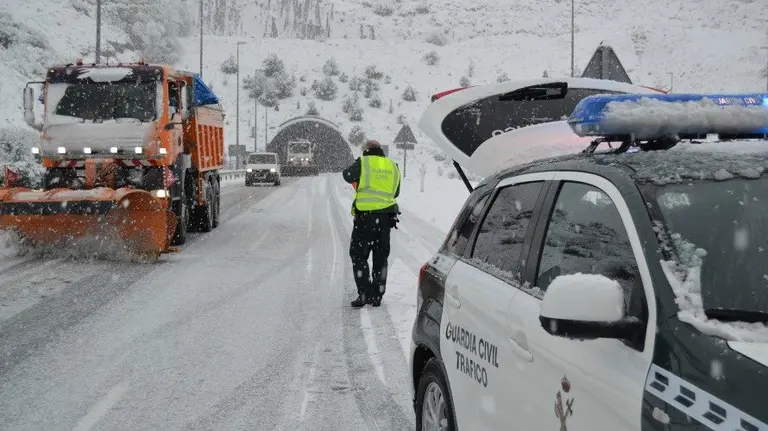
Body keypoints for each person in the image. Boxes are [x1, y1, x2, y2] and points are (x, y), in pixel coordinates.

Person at [343, 139, 401, 308]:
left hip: (365, 219)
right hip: (385, 220)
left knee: (359, 255)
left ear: (366, 150)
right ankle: (377, 295)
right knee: (381, 258)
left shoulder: (363, 162)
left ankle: (364, 293)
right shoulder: (393, 165)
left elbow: (347, 175)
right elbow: (396, 192)